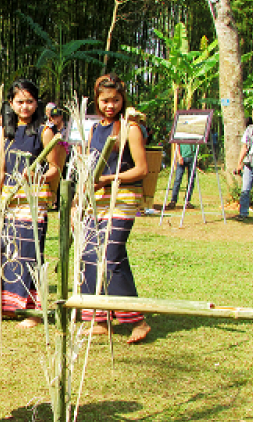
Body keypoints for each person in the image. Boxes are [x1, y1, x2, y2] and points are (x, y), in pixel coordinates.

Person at [0, 79, 66, 328]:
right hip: (8, 200)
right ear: (11, 103)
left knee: (28, 254)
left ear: (36, 103)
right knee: (1, 251)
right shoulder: (5, 132)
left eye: (29, 101)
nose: (25, 107)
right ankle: (5, 306)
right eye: (20, 102)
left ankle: (33, 311)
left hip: (32, 201)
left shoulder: (45, 131)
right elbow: (0, 172)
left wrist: (35, 175)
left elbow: (55, 169)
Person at [79, 73, 151, 344]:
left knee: (110, 255)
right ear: (97, 100)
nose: (111, 105)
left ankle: (138, 321)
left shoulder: (130, 128)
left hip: (122, 198)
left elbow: (141, 169)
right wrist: (80, 198)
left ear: (123, 100)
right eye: (105, 100)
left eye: (116, 100)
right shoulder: (95, 129)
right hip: (95, 200)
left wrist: (108, 179)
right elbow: (88, 167)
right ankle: (98, 319)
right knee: (89, 255)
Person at [166, 142, 198, 209]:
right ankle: (173, 200)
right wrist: (179, 156)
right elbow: (177, 145)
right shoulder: (182, 134)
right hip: (182, 157)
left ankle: (187, 201)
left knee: (191, 180)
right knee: (177, 179)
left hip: (192, 158)